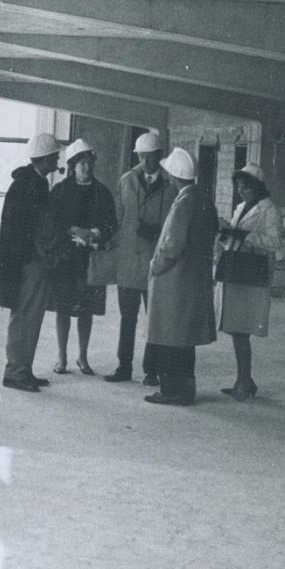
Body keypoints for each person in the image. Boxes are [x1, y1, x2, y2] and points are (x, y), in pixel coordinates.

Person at [0, 132, 65, 392]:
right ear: (44, 159)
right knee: (25, 316)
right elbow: (37, 229)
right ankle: (15, 373)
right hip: (29, 262)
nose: (58, 159)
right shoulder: (32, 186)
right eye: (55, 156)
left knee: (29, 317)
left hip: (25, 261)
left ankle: (23, 369)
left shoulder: (28, 182)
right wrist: (46, 254)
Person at [143, 147, 218, 406]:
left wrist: (154, 267)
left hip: (174, 282)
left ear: (174, 176)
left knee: (169, 337)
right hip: (194, 279)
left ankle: (172, 391)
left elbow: (171, 246)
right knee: (185, 340)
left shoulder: (184, 203)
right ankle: (186, 389)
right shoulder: (205, 200)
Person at [106, 130, 179, 384]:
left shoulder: (170, 185)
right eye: (142, 157)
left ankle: (152, 370)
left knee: (154, 319)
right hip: (128, 259)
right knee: (127, 318)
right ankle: (123, 366)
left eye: (151, 157)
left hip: (154, 261)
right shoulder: (127, 181)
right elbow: (117, 217)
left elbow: (174, 222)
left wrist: (157, 232)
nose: (146, 163)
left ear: (160, 156)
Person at [47, 138, 117, 375]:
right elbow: (51, 222)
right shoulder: (60, 191)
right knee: (63, 308)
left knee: (86, 309)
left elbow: (111, 224)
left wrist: (95, 233)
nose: (86, 167)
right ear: (72, 165)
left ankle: (83, 357)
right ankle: (62, 357)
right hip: (65, 260)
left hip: (91, 260)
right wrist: (72, 231)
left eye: (89, 162)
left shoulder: (102, 192)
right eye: (81, 163)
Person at [216, 163, 285, 401]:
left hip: (252, 275)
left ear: (257, 187)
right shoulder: (241, 207)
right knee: (235, 327)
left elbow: (275, 243)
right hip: (237, 270)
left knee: (241, 329)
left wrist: (244, 236)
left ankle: (244, 381)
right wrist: (225, 233)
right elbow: (235, 238)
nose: (241, 190)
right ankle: (244, 380)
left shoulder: (270, 210)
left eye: (246, 187)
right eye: (239, 186)